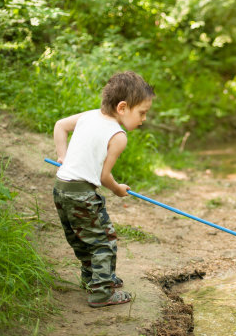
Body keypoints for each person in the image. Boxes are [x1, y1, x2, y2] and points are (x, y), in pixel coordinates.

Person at [52, 71, 155, 308]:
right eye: (142, 112)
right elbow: (103, 176)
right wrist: (118, 189)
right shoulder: (118, 136)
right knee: (103, 242)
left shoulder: (88, 116)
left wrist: (62, 156)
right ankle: (102, 293)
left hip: (61, 189)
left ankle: (95, 278)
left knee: (82, 239)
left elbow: (60, 126)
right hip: (82, 194)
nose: (144, 119)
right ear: (122, 107)